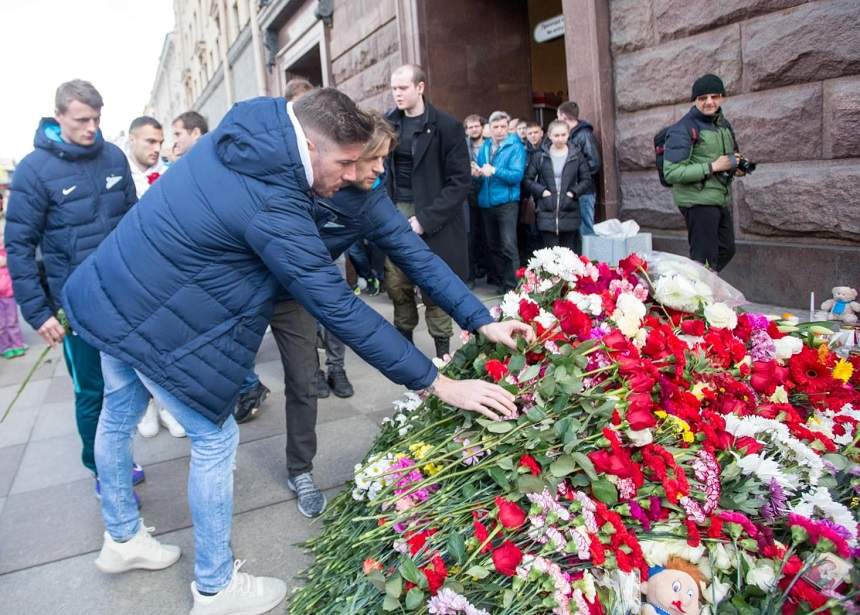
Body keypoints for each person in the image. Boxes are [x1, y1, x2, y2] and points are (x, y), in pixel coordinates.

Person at [62, 88, 529, 614]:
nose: (356, 174)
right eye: (348, 162)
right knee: (215, 440)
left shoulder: (258, 126)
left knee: (118, 411)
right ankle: (216, 589)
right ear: (309, 144)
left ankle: (122, 537)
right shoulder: (274, 195)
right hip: (161, 316)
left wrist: (480, 319)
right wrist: (437, 383)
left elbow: (414, 256)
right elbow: (336, 304)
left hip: (114, 291)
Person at [278, 110, 534, 518]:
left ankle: (300, 469)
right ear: (343, 156)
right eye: (374, 159)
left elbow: (421, 261)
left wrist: (482, 319)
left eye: (386, 158)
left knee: (302, 378)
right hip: (257, 284)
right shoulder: (294, 180)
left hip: (304, 288)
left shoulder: (369, 196)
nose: (382, 170)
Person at [4, 79, 144, 496]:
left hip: (123, 298)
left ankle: (120, 454)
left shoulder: (114, 156)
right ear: (59, 116)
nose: (91, 128)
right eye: (82, 119)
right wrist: (39, 312)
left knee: (130, 387)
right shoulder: (34, 170)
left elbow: (134, 223)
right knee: (92, 391)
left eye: (97, 119)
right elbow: (19, 245)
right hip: (75, 306)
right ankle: (100, 468)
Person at [385, 64, 471, 358]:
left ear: (420, 88)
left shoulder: (447, 127)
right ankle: (405, 355)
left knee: (435, 288)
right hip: (395, 213)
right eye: (393, 88)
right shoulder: (388, 124)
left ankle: (443, 358)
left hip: (433, 219)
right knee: (398, 285)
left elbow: (459, 183)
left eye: (403, 88)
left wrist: (424, 220)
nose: (396, 94)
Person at [124, 116, 186, 439]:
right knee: (141, 344)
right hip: (134, 274)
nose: (156, 148)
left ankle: (168, 406)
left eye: (159, 142)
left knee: (170, 343)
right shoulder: (119, 176)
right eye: (149, 141)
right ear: (132, 139)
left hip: (168, 271)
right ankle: (146, 404)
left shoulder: (169, 173)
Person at [663, 74, 741, 272]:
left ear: (722, 97)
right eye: (703, 98)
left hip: (718, 198)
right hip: (696, 201)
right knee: (704, 260)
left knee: (726, 250)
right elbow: (671, 172)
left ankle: (697, 289)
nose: (709, 102)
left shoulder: (723, 125)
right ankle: (698, 297)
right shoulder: (683, 128)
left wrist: (736, 166)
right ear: (695, 100)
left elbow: (729, 156)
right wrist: (713, 167)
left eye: (714, 96)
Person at [472, 110, 527, 294]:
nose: (499, 130)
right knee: (493, 245)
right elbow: (482, 172)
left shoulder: (515, 146)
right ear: (490, 128)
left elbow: (517, 175)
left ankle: (514, 286)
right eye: (495, 127)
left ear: (508, 127)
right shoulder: (486, 146)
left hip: (507, 203)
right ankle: (503, 282)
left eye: (503, 126)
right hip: (487, 203)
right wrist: (477, 173)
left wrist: (494, 171)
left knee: (508, 245)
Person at [524, 120, 592, 250]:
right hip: (546, 209)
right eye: (556, 135)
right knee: (550, 258)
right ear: (549, 135)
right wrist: (542, 192)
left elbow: (586, 180)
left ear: (568, 135)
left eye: (563, 135)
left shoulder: (577, 155)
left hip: (569, 208)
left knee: (568, 256)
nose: (560, 139)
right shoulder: (540, 156)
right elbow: (528, 180)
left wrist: (573, 193)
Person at [557, 101, 601, 238]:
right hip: (572, 191)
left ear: (563, 116)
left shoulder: (583, 135)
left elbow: (594, 163)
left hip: (583, 192)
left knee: (586, 230)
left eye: (558, 116)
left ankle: (590, 259)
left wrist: (575, 178)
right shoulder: (569, 135)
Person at [464, 114, 491, 288]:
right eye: (470, 127)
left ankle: (490, 273)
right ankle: (472, 275)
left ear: (482, 127)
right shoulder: (463, 145)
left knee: (489, 236)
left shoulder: (489, 144)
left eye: (476, 126)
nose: (474, 129)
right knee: (471, 237)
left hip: (489, 192)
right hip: (470, 195)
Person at [0, 217, 27, 359]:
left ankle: (17, 344)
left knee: (12, 321)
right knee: (1, 325)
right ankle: (5, 347)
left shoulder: (8, 253)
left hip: (8, 293)